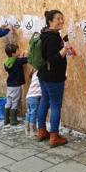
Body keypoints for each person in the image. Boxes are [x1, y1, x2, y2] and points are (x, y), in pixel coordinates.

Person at [36, 10, 74, 148]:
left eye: (62, 19)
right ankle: (54, 136)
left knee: (45, 101)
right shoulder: (52, 37)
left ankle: (41, 131)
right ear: (50, 21)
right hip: (53, 77)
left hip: (44, 75)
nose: (61, 21)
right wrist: (65, 49)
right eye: (58, 19)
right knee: (55, 105)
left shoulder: (44, 34)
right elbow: (52, 58)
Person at [3, 43, 28, 126]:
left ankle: (6, 120)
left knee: (8, 101)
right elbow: (27, 59)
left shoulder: (7, 62)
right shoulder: (17, 61)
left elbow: (17, 61)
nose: (19, 51)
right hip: (16, 85)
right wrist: (27, 54)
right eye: (18, 50)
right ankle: (13, 120)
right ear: (13, 54)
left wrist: (20, 56)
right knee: (15, 102)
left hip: (9, 85)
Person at [25, 70, 41, 136]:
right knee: (34, 113)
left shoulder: (34, 73)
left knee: (29, 112)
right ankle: (32, 130)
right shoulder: (40, 74)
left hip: (29, 96)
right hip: (35, 96)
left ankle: (27, 129)